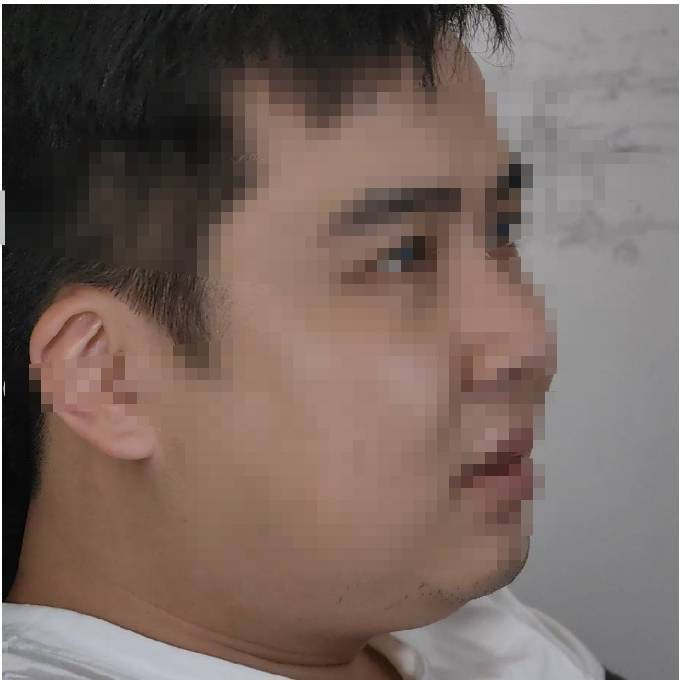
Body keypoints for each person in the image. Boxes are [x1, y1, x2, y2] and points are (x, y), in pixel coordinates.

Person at [2, 6, 628, 680]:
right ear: (110, 377)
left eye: (500, 232)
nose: (528, 342)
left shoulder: (467, 631)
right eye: (401, 256)